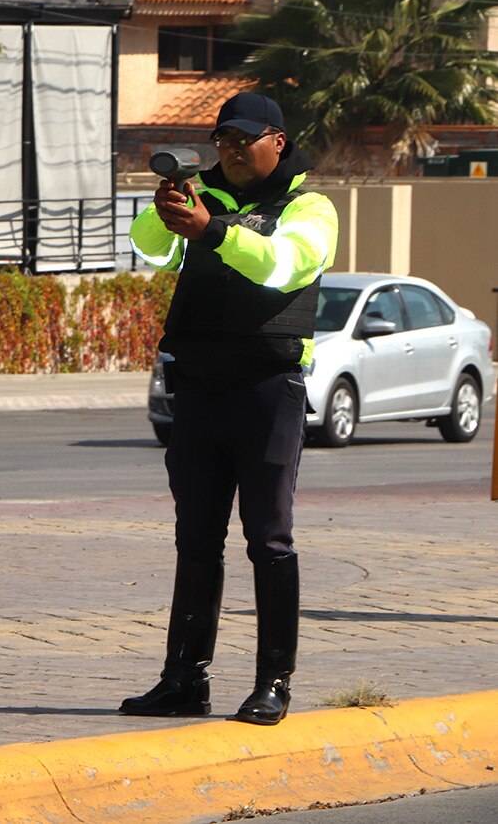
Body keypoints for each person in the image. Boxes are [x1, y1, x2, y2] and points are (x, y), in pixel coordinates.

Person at [122, 92, 339, 725]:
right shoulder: (204, 195)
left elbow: (285, 268)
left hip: (267, 387)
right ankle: (184, 678)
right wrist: (167, 213)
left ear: (278, 139)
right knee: (196, 538)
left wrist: (213, 231)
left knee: (269, 539)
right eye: (224, 140)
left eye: (245, 139)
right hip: (198, 385)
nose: (234, 150)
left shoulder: (309, 207)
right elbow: (151, 249)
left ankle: (275, 680)